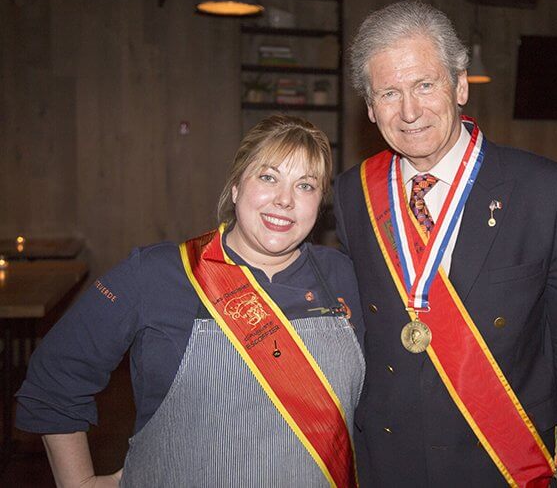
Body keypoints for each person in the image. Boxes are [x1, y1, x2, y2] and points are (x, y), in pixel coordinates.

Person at [334, 0, 557, 487]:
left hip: (500, 460)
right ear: (371, 109)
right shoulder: (352, 192)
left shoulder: (546, 190)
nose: (410, 111)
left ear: (460, 85)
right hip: (390, 460)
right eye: (389, 93)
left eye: (424, 84)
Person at [16, 115, 364, 487]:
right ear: (235, 187)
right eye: (268, 177)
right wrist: (78, 482)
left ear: (320, 202)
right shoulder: (157, 274)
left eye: (306, 185)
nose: (284, 199)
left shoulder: (344, 276)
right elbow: (55, 376)